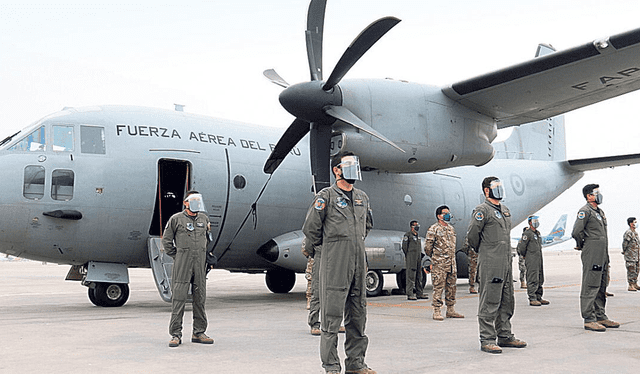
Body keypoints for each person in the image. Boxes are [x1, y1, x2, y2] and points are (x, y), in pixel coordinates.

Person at [302, 152, 375, 374]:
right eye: (349, 165)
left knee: (358, 316)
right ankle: (332, 366)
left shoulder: (362, 197)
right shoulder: (326, 197)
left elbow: (367, 226)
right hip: (335, 262)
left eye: (355, 165)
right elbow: (311, 229)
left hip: (358, 263)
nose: (354, 169)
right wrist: (330, 250)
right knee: (331, 318)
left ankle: (356, 363)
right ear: (337, 170)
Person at [466, 176, 526, 354]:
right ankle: (487, 339)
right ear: (486, 190)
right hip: (491, 263)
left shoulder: (505, 210)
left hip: (506, 262)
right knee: (490, 301)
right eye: (496, 187)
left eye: (500, 186)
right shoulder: (482, 210)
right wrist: (487, 252)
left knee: (507, 301)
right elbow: (472, 236)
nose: (500, 189)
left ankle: (505, 336)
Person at [162, 191, 214, 347]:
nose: (197, 203)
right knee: (179, 299)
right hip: (183, 264)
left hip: (200, 264)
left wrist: (206, 256)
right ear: (185, 202)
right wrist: (178, 256)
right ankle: (175, 334)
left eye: (199, 200)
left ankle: (199, 332)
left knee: (200, 298)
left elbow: (207, 239)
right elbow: (166, 241)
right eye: (193, 200)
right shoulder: (176, 219)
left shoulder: (204, 219)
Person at [571, 184, 619, 332]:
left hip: (602, 253)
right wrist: (583, 245)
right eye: (596, 193)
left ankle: (600, 315)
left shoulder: (600, 212)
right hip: (592, 252)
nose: (599, 195)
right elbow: (576, 232)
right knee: (591, 284)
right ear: (588, 196)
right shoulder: (585, 211)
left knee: (601, 284)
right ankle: (589, 319)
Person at [425, 205, 464, 320]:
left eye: (448, 213)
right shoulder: (433, 229)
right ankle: (437, 311)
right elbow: (428, 248)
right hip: (439, 265)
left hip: (451, 264)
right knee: (438, 287)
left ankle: (450, 310)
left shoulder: (451, 229)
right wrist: (436, 259)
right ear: (439, 216)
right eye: (445, 213)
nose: (448, 215)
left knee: (451, 287)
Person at [303, 238, 346, 336]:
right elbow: (309, 237)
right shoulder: (319, 222)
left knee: (336, 290)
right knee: (317, 289)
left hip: (336, 254)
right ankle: (314, 323)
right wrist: (316, 252)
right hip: (321, 253)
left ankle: (334, 323)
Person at [517, 216, 549, 306]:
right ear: (530, 222)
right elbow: (522, 247)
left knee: (540, 277)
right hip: (531, 258)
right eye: (535, 221)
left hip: (538, 258)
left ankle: (539, 297)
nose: (537, 222)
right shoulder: (527, 233)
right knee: (532, 277)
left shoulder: (537, 233)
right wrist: (524, 255)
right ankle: (532, 298)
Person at [402, 220, 427, 300]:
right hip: (411, 258)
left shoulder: (418, 236)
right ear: (411, 226)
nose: (417, 226)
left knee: (419, 276)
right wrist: (409, 255)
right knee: (410, 276)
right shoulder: (408, 235)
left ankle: (419, 293)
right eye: (415, 225)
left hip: (418, 258)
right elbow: (404, 247)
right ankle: (410, 294)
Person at [622, 217, 640, 292]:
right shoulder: (628, 233)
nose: (636, 223)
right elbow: (625, 244)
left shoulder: (635, 233)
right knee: (631, 270)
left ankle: (635, 284)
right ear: (631, 223)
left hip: (636, 256)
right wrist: (625, 252)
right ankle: (630, 285)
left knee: (636, 270)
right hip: (630, 255)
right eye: (634, 222)